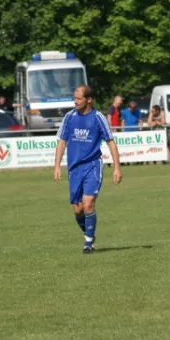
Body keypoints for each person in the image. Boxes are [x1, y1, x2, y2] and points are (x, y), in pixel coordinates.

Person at [54, 85, 122, 254]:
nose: (75, 101)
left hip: (92, 165)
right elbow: (62, 142)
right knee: (77, 209)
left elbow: (111, 142)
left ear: (88, 99)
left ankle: (88, 243)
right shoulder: (69, 117)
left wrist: (117, 168)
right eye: (74, 98)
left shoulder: (98, 118)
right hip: (74, 168)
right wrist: (56, 166)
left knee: (88, 203)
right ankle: (88, 232)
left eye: (78, 98)